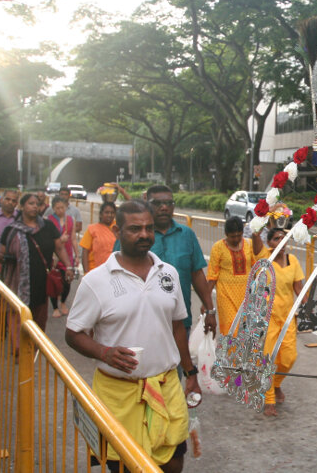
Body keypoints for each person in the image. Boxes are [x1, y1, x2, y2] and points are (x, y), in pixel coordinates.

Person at [65, 201, 196, 472]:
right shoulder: (96, 281)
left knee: (173, 462)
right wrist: (104, 352)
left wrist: (190, 373)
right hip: (118, 394)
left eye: (148, 228)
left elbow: (177, 327)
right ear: (117, 230)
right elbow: (73, 333)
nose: (144, 234)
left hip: (166, 388)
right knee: (122, 466)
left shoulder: (168, 273)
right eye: (135, 229)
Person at [143, 185, 216, 335]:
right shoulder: (139, 236)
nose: (164, 207)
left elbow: (197, 275)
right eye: (157, 204)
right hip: (144, 323)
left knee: (182, 359)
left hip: (181, 323)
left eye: (169, 203)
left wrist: (210, 310)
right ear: (147, 204)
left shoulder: (186, 235)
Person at [0, 193, 74, 335]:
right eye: (31, 203)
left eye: (37, 204)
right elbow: (2, 253)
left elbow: (59, 247)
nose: (35, 207)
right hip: (18, 283)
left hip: (41, 282)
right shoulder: (12, 230)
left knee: (38, 321)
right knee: (18, 317)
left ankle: (34, 349)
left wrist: (68, 266)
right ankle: (19, 351)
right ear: (22, 206)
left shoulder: (48, 226)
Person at [262, 227, 306, 417]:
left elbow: (299, 289)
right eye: (276, 239)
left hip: (288, 317)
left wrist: (310, 307)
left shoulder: (293, 261)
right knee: (269, 358)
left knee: (289, 357)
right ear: (269, 243)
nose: (280, 241)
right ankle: (269, 399)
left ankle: (277, 383)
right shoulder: (265, 261)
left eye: (283, 238)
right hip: (268, 318)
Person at [207, 216, 268, 335]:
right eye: (232, 236)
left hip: (247, 295)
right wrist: (206, 303)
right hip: (226, 296)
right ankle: (230, 354)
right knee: (232, 330)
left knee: (247, 331)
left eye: (239, 236)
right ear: (226, 234)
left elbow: (258, 266)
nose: (236, 239)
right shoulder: (218, 248)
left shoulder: (249, 244)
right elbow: (212, 276)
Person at [46, 197, 77, 318]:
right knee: (54, 281)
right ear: (53, 208)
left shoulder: (70, 220)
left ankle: (63, 302)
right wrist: (60, 240)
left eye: (62, 208)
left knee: (67, 281)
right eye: (57, 208)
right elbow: (48, 240)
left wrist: (77, 255)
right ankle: (55, 307)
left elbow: (73, 238)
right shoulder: (48, 221)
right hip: (54, 255)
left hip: (67, 255)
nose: (60, 210)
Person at [80, 202, 117, 273]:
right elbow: (85, 252)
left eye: (112, 213)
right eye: (107, 212)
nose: (110, 215)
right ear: (101, 214)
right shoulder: (92, 229)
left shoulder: (118, 228)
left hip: (114, 270)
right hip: (95, 270)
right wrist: (86, 273)